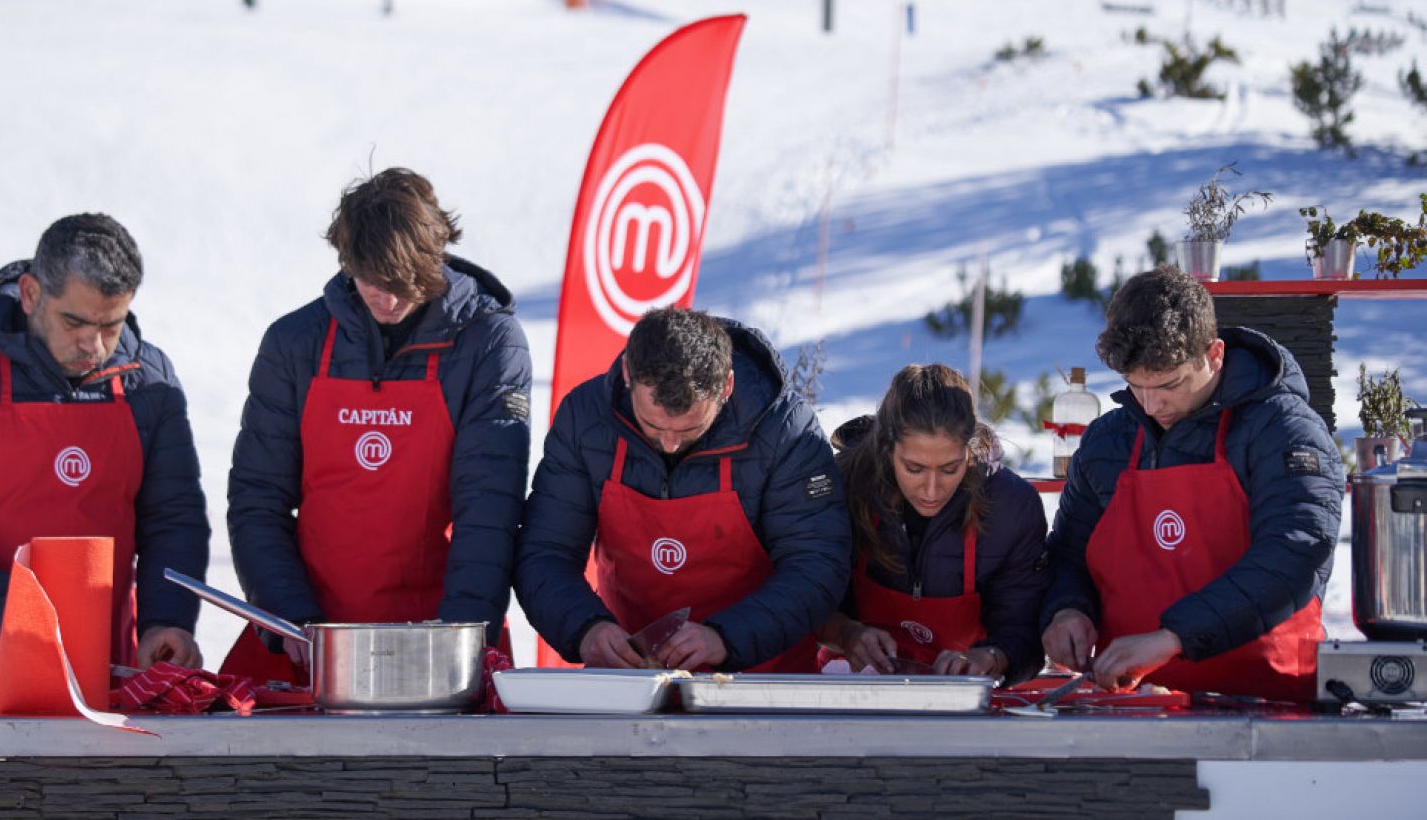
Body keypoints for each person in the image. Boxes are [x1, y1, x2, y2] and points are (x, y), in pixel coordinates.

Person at [0, 214, 211, 820]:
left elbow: (174, 518)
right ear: (31, 294)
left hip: (98, 684)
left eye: (111, 325)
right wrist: (23, 627)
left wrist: (167, 621)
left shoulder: (147, 380)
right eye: (75, 322)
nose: (94, 344)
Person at [224, 168, 531, 677]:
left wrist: (459, 639)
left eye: (403, 285)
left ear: (435, 257)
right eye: (371, 282)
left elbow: (489, 508)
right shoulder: (293, 342)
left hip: (440, 635)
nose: (386, 301)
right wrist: (286, 614)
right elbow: (258, 498)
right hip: (308, 638)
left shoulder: (490, 343)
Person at [1039, 265, 1342, 701]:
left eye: (1169, 384)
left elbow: (1293, 557)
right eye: (1135, 386)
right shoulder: (1108, 440)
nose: (1151, 403)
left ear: (1214, 354)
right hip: (1132, 703)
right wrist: (1067, 609)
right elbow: (1069, 555)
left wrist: (1172, 638)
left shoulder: (1285, 431)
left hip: (1269, 699)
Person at [516, 307, 850, 673]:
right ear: (628, 373)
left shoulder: (785, 430)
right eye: (652, 426)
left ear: (726, 387)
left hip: (761, 676)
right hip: (630, 674)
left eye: (690, 430)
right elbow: (546, 552)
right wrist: (586, 628)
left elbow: (817, 563)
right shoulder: (585, 418)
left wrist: (726, 637)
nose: (670, 444)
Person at [816, 364, 1049, 687]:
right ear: (887, 450)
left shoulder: (1011, 507)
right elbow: (804, 593)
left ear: (969, 451)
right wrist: (845, 633)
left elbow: (1023, 627)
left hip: (963, 702)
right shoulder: (844, 486)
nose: (931, 489)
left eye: (950, 469)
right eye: (914, 468)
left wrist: (990, 658)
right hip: (851, 688)